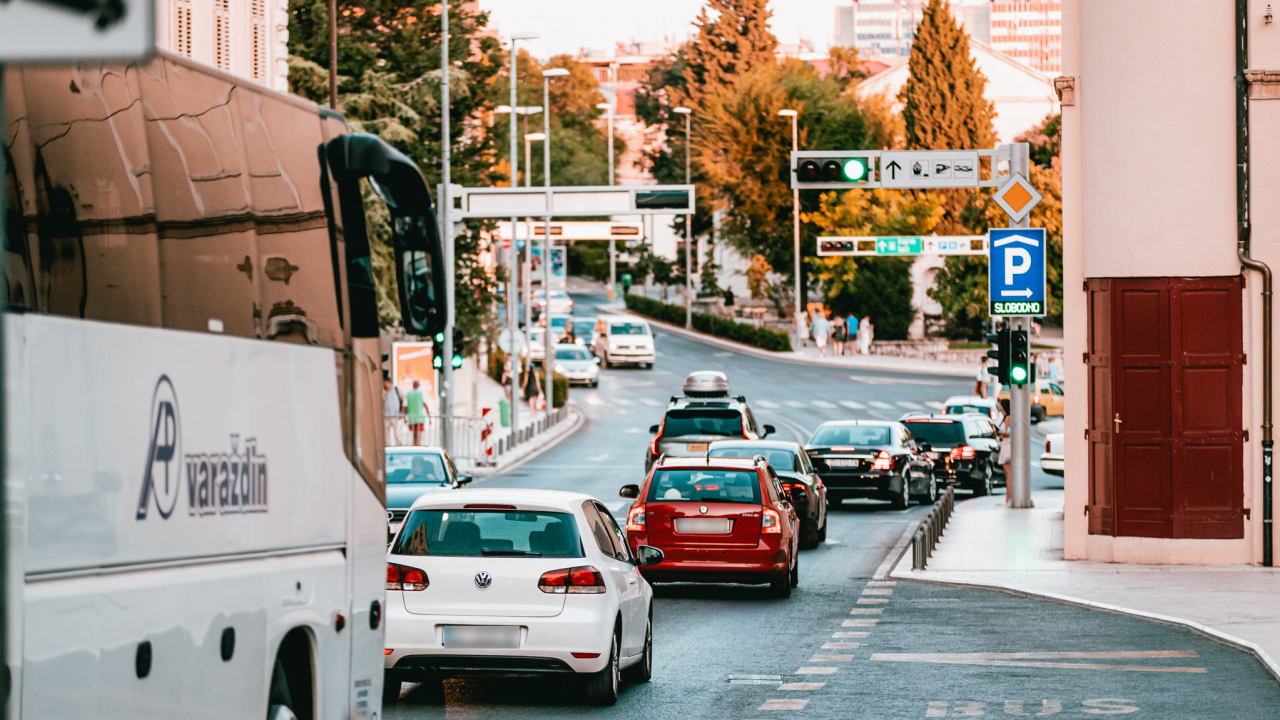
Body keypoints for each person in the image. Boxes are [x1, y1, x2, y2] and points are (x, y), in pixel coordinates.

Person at [997, 398, 1013, 498]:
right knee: (1007, 474)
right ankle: (1008, 498)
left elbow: (1009, 433)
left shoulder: (1008, 418)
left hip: (1007, 447)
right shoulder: (1005, 417)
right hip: (1004, 446)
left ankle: (1008, 498)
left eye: (1000, 404)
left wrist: (999, 432)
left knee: (1008, 475)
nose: (998, 406)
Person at [383, 376, 404, 446]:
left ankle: (398, 443)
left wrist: (402, 411)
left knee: (396, 432)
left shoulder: (396, 390)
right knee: (386, 431)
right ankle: (387, 444)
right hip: (386, 415)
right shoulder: (382, 391)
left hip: (395, 414)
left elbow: (403, 399)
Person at [405, 380, 427, 446]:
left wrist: (404, 417)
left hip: (411, 417)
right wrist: (428, 414)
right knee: (418, 433)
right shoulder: (421, 393)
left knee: (414, 433)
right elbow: (425, 404)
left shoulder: (408, 394)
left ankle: (415, 444)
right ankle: (418, 445)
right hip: (419, 417)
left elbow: (405, 406)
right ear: (418, 385)